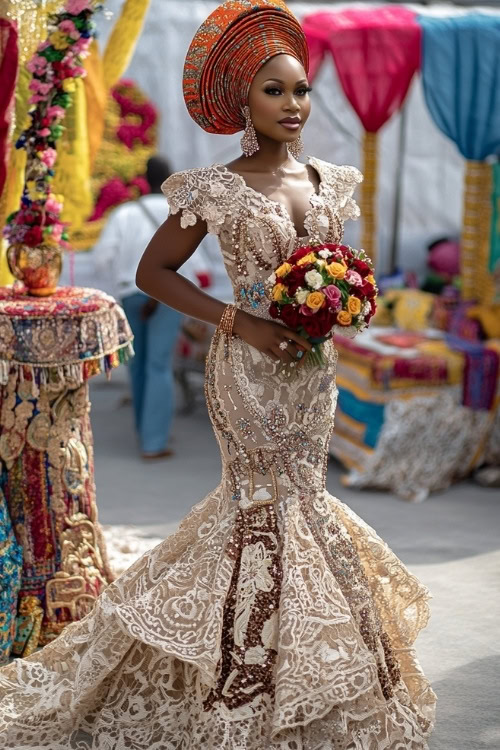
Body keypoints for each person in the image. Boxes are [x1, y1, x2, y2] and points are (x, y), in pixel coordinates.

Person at [0, 2, 436, 747]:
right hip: (249, 370)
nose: (293, 105)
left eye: (301, 90)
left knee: (304, 502)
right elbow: (153, 273)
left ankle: (320, 676)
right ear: (243, 100)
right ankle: (243, 684)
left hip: (313, 373)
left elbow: (335, 272)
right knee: (258, 510)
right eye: (275, 91)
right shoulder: (214, 189)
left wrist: (339, 307)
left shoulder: (334, 181)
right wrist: (244, 323)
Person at [93, 156, 182, 459]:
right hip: (169, 295)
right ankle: (153, 441)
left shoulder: (125, 214)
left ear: (143, 179)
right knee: (159, 365)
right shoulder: (180, 214)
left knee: (138, 363)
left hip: (132, 293)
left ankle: (144, 429)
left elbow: (102, 257)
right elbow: (197, 262)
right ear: (169, 178)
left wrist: (121, 281)